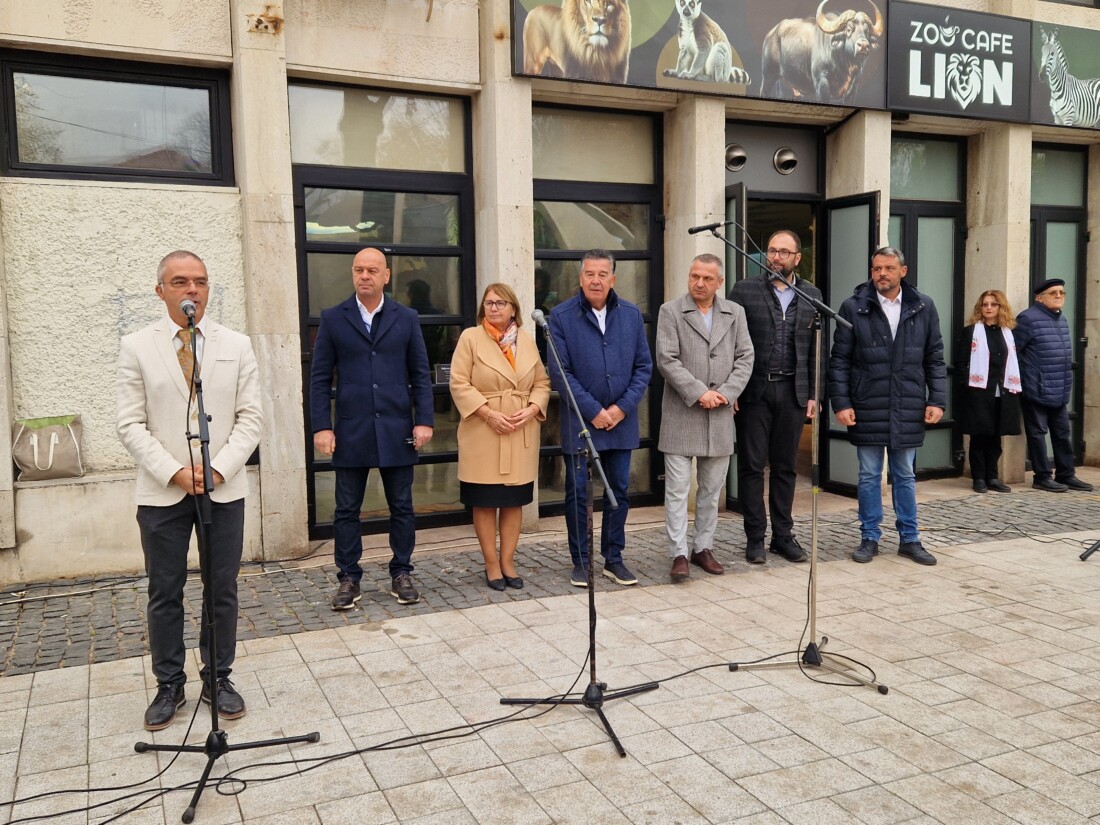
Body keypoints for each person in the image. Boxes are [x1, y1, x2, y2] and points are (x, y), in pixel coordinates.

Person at [117, 250, 262, 731]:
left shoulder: (235, 344)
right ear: (161, 291)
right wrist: (174, 471)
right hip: (163, 491)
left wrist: (217, 468)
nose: (192, 290)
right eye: (180, 282)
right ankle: (169, 684)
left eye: (200, 281)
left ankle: (218, 677)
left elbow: (251, 418)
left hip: (223, 488)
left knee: (221, 588)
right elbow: (130, 423)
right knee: (165, 590)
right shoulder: (137, 346)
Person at [310, 247, 435, 610]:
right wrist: (322, 426)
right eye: (358, 270)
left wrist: (424, 419)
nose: (364, 276)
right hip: (351, 429)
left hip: (398, 427)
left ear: (386, 276)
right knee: (347, 509)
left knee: (402, 506)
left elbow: (420, 375)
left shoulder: (406, 317)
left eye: (372, 270)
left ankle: (401, 572)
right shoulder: (334, 318)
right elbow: (319, 378)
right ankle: (349, 577)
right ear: (353, 274)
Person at [828, 246, 946, 566]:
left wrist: (937, 398)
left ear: (902, 271)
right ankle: (869, 537)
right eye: (877, 268)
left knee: (905, 474)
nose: (882, 274)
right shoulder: (854, 307)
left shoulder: (923, 306)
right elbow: (839, 360)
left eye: (889, 268)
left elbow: (934, 357)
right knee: (868, 474)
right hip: (867, 402)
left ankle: (910, 539)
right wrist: (841, 401)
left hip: (908, 403)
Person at [548, 249, 653, 587]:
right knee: (578, 492)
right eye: (589, 274)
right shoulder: (561, 317)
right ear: (581, 278)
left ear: (613, 278)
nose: (595, 280)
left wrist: (621, 408)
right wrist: (593, 410)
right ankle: (581, 561)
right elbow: (559, 373)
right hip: (581, 423)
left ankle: (613, 558)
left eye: (602, 274)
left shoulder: (632, 315)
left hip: (621, 421)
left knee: (618, 490)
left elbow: (643, 368)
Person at [657, 254, 754, 582]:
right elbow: (666, 359)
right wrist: (700, 392)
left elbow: (746, 356)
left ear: (719, 282)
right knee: (678, 490)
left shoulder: (735, 313)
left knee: (712, 490)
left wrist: (727, 392)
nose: (699, 283)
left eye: (706, 278)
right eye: (694, 276)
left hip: (721, 415)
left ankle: (703, 547)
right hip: (682, 413)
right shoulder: (670, 311)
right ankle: (679, 553)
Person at [450, 284, 550, 590]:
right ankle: (491, 564)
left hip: (520, 428)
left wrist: (533, 409)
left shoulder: (527, 340)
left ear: (513, 310)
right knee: (484, 502)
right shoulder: (471, 337)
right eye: (489, 303)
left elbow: (542, 382)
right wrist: (489, 414)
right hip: (483, 429)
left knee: (512, 502)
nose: (494, 308)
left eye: (501, 303)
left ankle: (508, 561)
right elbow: (459, 383)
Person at [729, 229, 820, 565]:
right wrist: (731, 387)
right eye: (772, 250)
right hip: (754, 390)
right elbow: (729, 341)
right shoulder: (745, 290)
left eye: (784, 252)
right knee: (752, 466)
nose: (776, 257)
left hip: (793, 391)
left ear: (798, 258)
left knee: (785, 467)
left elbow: (815, 351)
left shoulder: (811, 294)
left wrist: (813, 392)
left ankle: (783, 535)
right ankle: (755, 538)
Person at [1015, 278, 1093, 493]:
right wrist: (1027, 381)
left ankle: (1066, 474)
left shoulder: (1062, 319)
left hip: (1059, 387)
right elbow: (1014, 353)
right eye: (1053, 293)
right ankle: (1042, 476)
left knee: (1062, 433)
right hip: (1036, 388)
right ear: (1039, 297)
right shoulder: (1027, 318)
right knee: (1038, 434)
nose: (1059, 296)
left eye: (1062, 293)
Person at [955, 290, 1022, 493]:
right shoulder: (970, 332)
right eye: (985, 304)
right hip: (978, 392)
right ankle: (979, 478)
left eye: (994, 304)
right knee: (979, 436)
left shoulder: (1008, 333)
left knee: (996, 437)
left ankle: (992, 477)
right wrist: (966, 390)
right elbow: (961, 363)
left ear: (1001, 307)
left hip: (1002, 391)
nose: (989, 308)